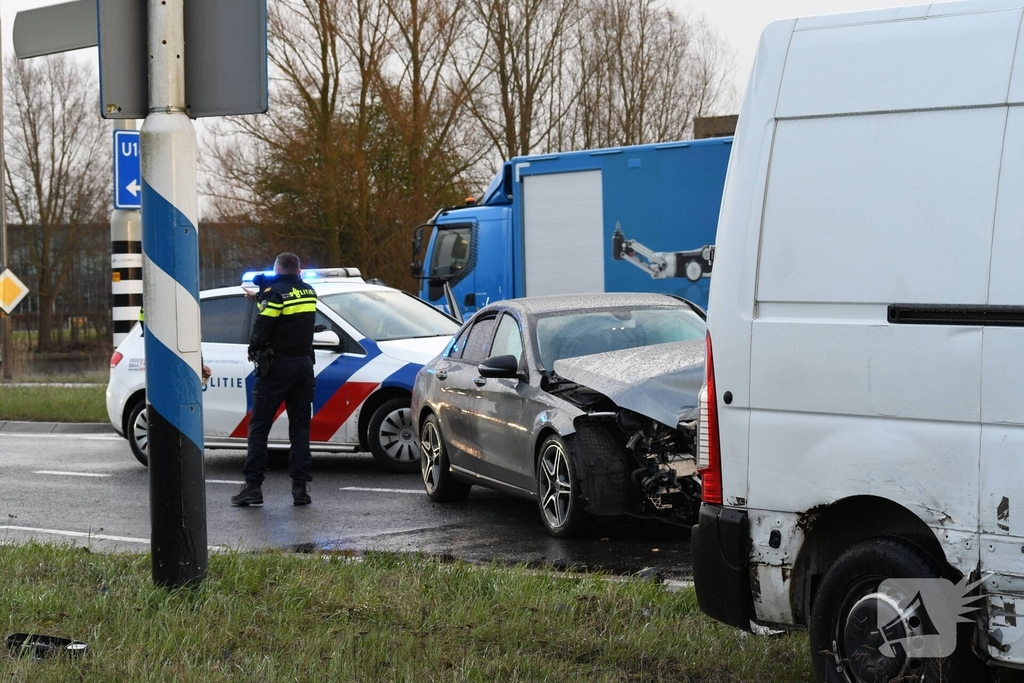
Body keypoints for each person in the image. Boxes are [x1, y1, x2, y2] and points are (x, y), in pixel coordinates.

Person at [231, 253, 318, 507]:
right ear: (299, 271)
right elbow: (285, 305)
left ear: (276, 269)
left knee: (259, 427)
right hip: (303, 366)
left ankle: (253, 487)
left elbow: (262, 328)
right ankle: (300, 490)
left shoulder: (274, 294)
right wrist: (260, 296)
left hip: (276, 367)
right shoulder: (309, 292)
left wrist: (253, 348)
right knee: (300, 429)